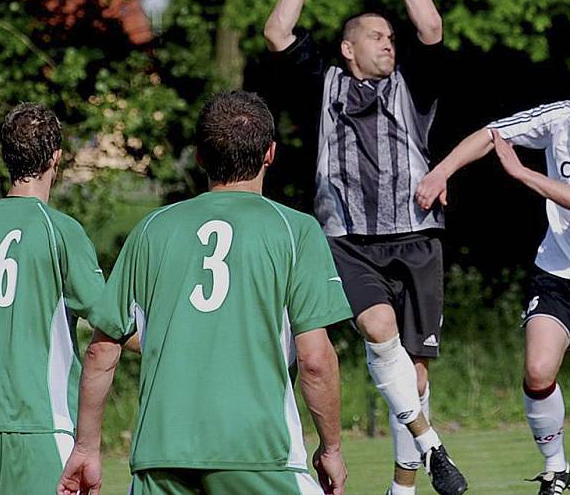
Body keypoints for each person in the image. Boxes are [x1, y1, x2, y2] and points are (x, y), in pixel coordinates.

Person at [58, 91, 352, 495]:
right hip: (258, 451)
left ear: (199, 157)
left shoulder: (151, 229)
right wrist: (331, 447)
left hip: (161, 454)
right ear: (270, 154)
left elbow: (100, 351)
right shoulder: (295, 230)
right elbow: (315, 360)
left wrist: (86, 447)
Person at [264, 0, 467, 495]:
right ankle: (433, 446)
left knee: (415, 372)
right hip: (348, 237)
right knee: (378, 330)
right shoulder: (322, 81)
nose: (389, 44)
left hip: (417, 233)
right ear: (349, 48)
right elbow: (277, 33)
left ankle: (404, 486)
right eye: (378, 37)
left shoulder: (413, 81)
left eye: (390, 38)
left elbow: (429, 27)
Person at [416, 66, 570, 494]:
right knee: (537, 368)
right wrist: (443, 171)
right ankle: (556, 469)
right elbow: (493, 134)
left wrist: (524, 174)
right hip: (558, 273)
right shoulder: (560, 118)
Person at [0, 103, 106, 493]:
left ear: (6, 158)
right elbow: (112, 322)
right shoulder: (60, 231)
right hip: (37, 422)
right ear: (56, 157)